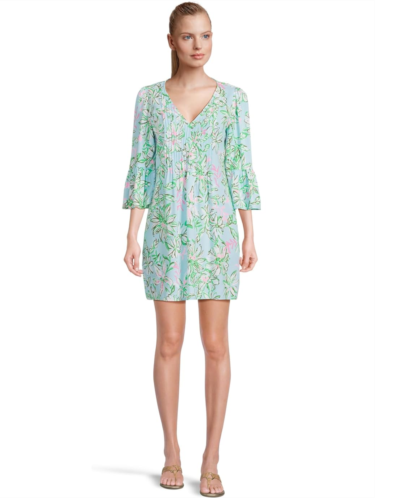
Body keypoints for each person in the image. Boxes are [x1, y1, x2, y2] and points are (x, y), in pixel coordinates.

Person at [122, 2, 261, 496]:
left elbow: (240, 166)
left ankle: (212, 458)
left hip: (216, 234)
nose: (198, 45)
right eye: (188, 36)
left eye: (205, 35)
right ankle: (172, 452)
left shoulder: (234, 99)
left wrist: (249, 232)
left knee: (216, 344)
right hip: (164, 232)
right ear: (171, 41)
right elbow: (142, 166)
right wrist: (132, 233)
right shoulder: (149, 99)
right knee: (168, 342)